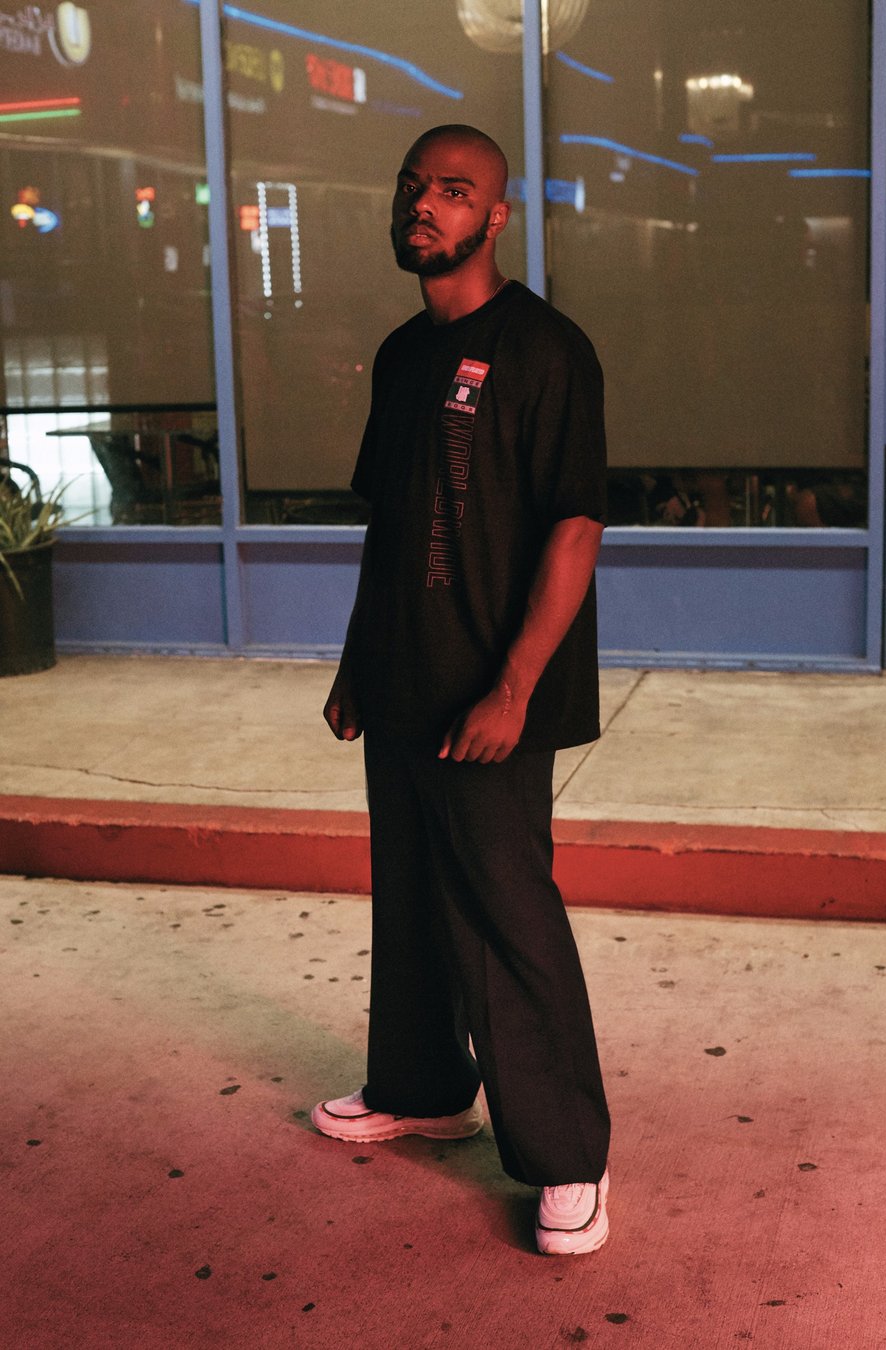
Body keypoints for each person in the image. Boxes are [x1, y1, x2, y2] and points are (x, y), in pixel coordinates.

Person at [312, 124, 611, 1257]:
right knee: (408, 899)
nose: (424, 206)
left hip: (490, 695)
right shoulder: (402, 355)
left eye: (452, 190)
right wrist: (358, 661)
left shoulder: (546, 349)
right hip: (404, 679)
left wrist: (515, 688)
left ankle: (569, 1156)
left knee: (506, 916)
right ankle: (423, 1088)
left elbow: (575, 527)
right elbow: (393, 526)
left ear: (495, 215)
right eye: (413, 188)